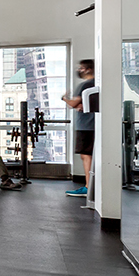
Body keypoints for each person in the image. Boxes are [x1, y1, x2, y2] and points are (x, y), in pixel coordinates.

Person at [63, 58, 96, 198]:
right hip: (92, 125)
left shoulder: (86, 85)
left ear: (88, 69)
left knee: (86, 156)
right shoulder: (96, 84)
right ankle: (91, 186)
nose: (79, 70)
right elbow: (80, 105)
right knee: (88, 156)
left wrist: (64, 98)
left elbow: (72, 104)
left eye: (81, 68)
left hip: (86, 126)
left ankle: (88, 187)